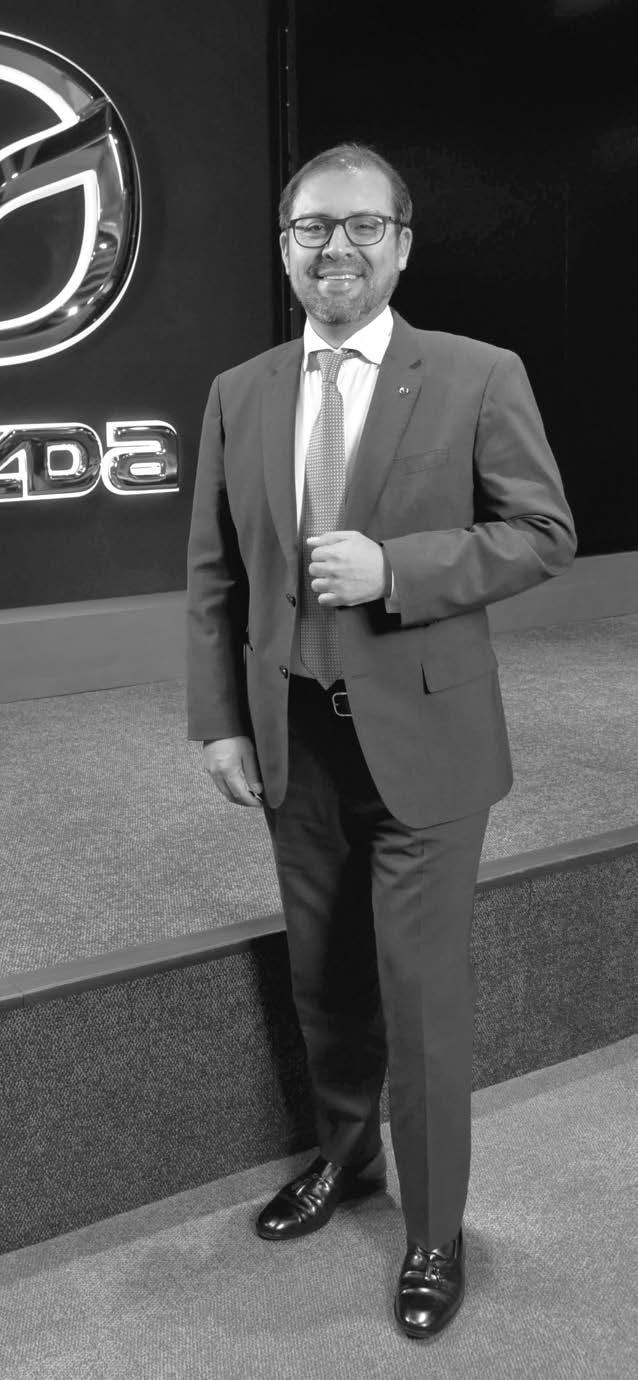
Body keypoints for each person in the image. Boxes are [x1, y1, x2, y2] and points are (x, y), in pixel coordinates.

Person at [185, 143, 576, 1339]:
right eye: (311, 228)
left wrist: (393, 569)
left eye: (362, 226)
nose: (335, 248)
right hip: (292, 741)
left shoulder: (475, 374)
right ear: (284, 248)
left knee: (419, 1000)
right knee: (325, 981)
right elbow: (212, 580)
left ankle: (433, 1230)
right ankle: (345, 1164)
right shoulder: (239, 392)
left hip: (427, 744)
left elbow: (541, 531)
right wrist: (219, 721)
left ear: (401, 245)